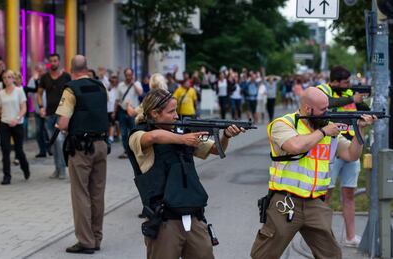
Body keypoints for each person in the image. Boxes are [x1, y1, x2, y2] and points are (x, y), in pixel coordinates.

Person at [250, 87, 376, 259]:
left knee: (331, 255)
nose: (328, 113)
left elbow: (351, 155)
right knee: (264, 255)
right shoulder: (284, 124)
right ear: (308, 109)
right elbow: (295, 146)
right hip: (286, 201)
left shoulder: (327, 129)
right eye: (323, 110)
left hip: (315, 202)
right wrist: (323, 132)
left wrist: (360, 129)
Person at [127, 89, 245, 259]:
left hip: (194, 216)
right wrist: (182, 139)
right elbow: (153, 137)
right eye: (171, 111)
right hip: (164, 221)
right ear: (154, 113)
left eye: (176, 110)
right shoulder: (138, 135)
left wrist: (225, 135)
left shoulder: (181, 132)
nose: (176, 116)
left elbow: (214, 149)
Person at [55, 55, 108, 254]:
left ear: (71, 69)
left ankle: (85, 241)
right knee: (98, 193)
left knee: (81, 194)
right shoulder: (101, 87)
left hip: (81, 148)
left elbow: (63, 124)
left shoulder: (71, 90)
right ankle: (96, 237)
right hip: (101, 145)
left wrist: (60, 125)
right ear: (87, 68)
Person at [318, 65, 369, 247]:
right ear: (335, 81)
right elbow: (326, 104)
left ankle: (350, 237)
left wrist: (364, 105)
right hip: (331, 150)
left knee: (349, 195)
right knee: (326, 197)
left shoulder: (349, 93)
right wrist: (351, 98)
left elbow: (364, 109)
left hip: (350, 147)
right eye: (345, 82)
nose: (349, 85)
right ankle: (324, 239)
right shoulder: (322, 92)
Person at [0, 70, 30, 185]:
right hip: (4, 124)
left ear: (13, 79)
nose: (6, 79)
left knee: (19, 150)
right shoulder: (1, 93)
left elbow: (24, 108)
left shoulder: (19, 91)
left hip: (17, 124)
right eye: (4, 77)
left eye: (9, 77)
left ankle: (25, 168)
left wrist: (17, 119)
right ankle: (6, 176)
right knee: (5, 150)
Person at [37, 53, 71, 179]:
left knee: (59, 141)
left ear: (59, 61)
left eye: (55, 61)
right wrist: (41, 107)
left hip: (62, 114)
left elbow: (72, 93)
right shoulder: (45, 77)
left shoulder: (66, 76)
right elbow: (39, 94)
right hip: (49, 114)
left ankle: (62, 169)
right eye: (51, 61)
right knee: (53, 142)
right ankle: (57, 169)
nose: (53, 63)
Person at [115, 68, 143, 159]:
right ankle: (126, 151)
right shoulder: (120, 85)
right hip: (122, 111)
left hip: (133, 111)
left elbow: (140, 93)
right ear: (124, 75)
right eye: (127, 75)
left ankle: (134, 150)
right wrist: (114, 111)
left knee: (133, 131)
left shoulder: (137, 84)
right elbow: (118, 99)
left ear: (133, 75)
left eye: (130, 75)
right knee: (123, 133)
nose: (128, 77)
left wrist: (133, 83)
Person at [27, 63, 50, 158]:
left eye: (42, 70)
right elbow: (29, 94)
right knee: (38, 131)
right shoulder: (33, 80)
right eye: (39, 70)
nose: (40, 72)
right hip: (37, 110)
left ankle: (50, 149)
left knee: (48, 130)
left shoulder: (49, 79)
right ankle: (42, 150)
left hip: (49, 110)